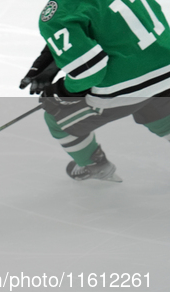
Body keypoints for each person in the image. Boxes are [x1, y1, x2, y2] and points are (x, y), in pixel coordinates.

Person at [20, 0, 170, 181]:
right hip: (166, 70)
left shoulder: (58, 12)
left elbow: (89, 73)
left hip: (125, 88)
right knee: (159, 109)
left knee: (57, 120)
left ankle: (96, 165)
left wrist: (62, 93)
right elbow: (111, 24)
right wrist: (47, 62)